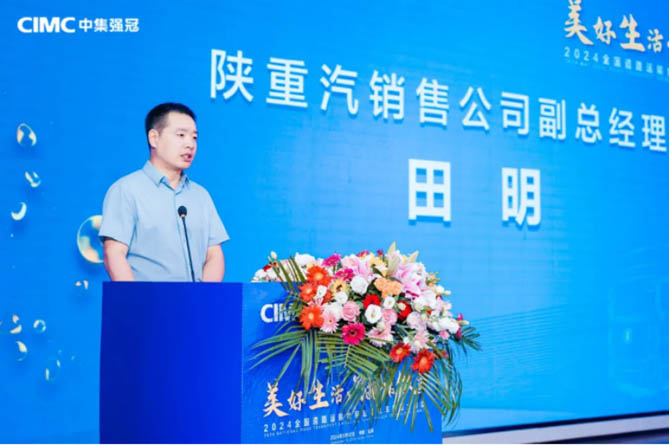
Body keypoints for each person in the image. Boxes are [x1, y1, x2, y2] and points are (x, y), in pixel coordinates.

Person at [99, 102, 229, 281]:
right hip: (147, 298)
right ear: (154, 138)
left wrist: (205, 296)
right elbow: (114, 254)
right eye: (181, 135)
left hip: (197, 299)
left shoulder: (201, 196)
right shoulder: (126, 190)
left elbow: (214, 255)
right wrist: (135, 297)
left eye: (194, 137)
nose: (190, 144)